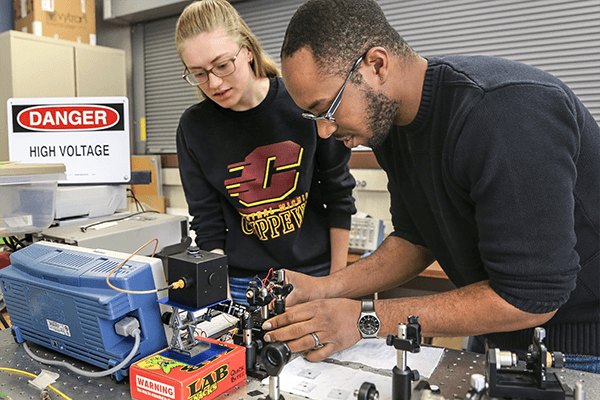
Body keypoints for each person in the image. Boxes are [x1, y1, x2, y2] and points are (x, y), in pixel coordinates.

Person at [262, 0, 600, 367]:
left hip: (578, 345)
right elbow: (415, 239)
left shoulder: (504, 114)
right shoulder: (390, 125)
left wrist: (364, 319)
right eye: (314, 117)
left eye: (327, 108)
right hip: (499, 331)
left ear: (377, 65)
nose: (325, 131)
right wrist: (324, 288)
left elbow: (531, 297)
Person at [174, 0, 356, 305]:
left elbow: (339, 195)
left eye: (222, 65)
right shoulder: (194, 127)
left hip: (316, 274)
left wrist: (336, 285)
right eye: (199, 74)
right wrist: (220, 295)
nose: (214, 83)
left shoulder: (302, 100)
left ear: (247, 50)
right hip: (241, 282)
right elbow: (207, 222)